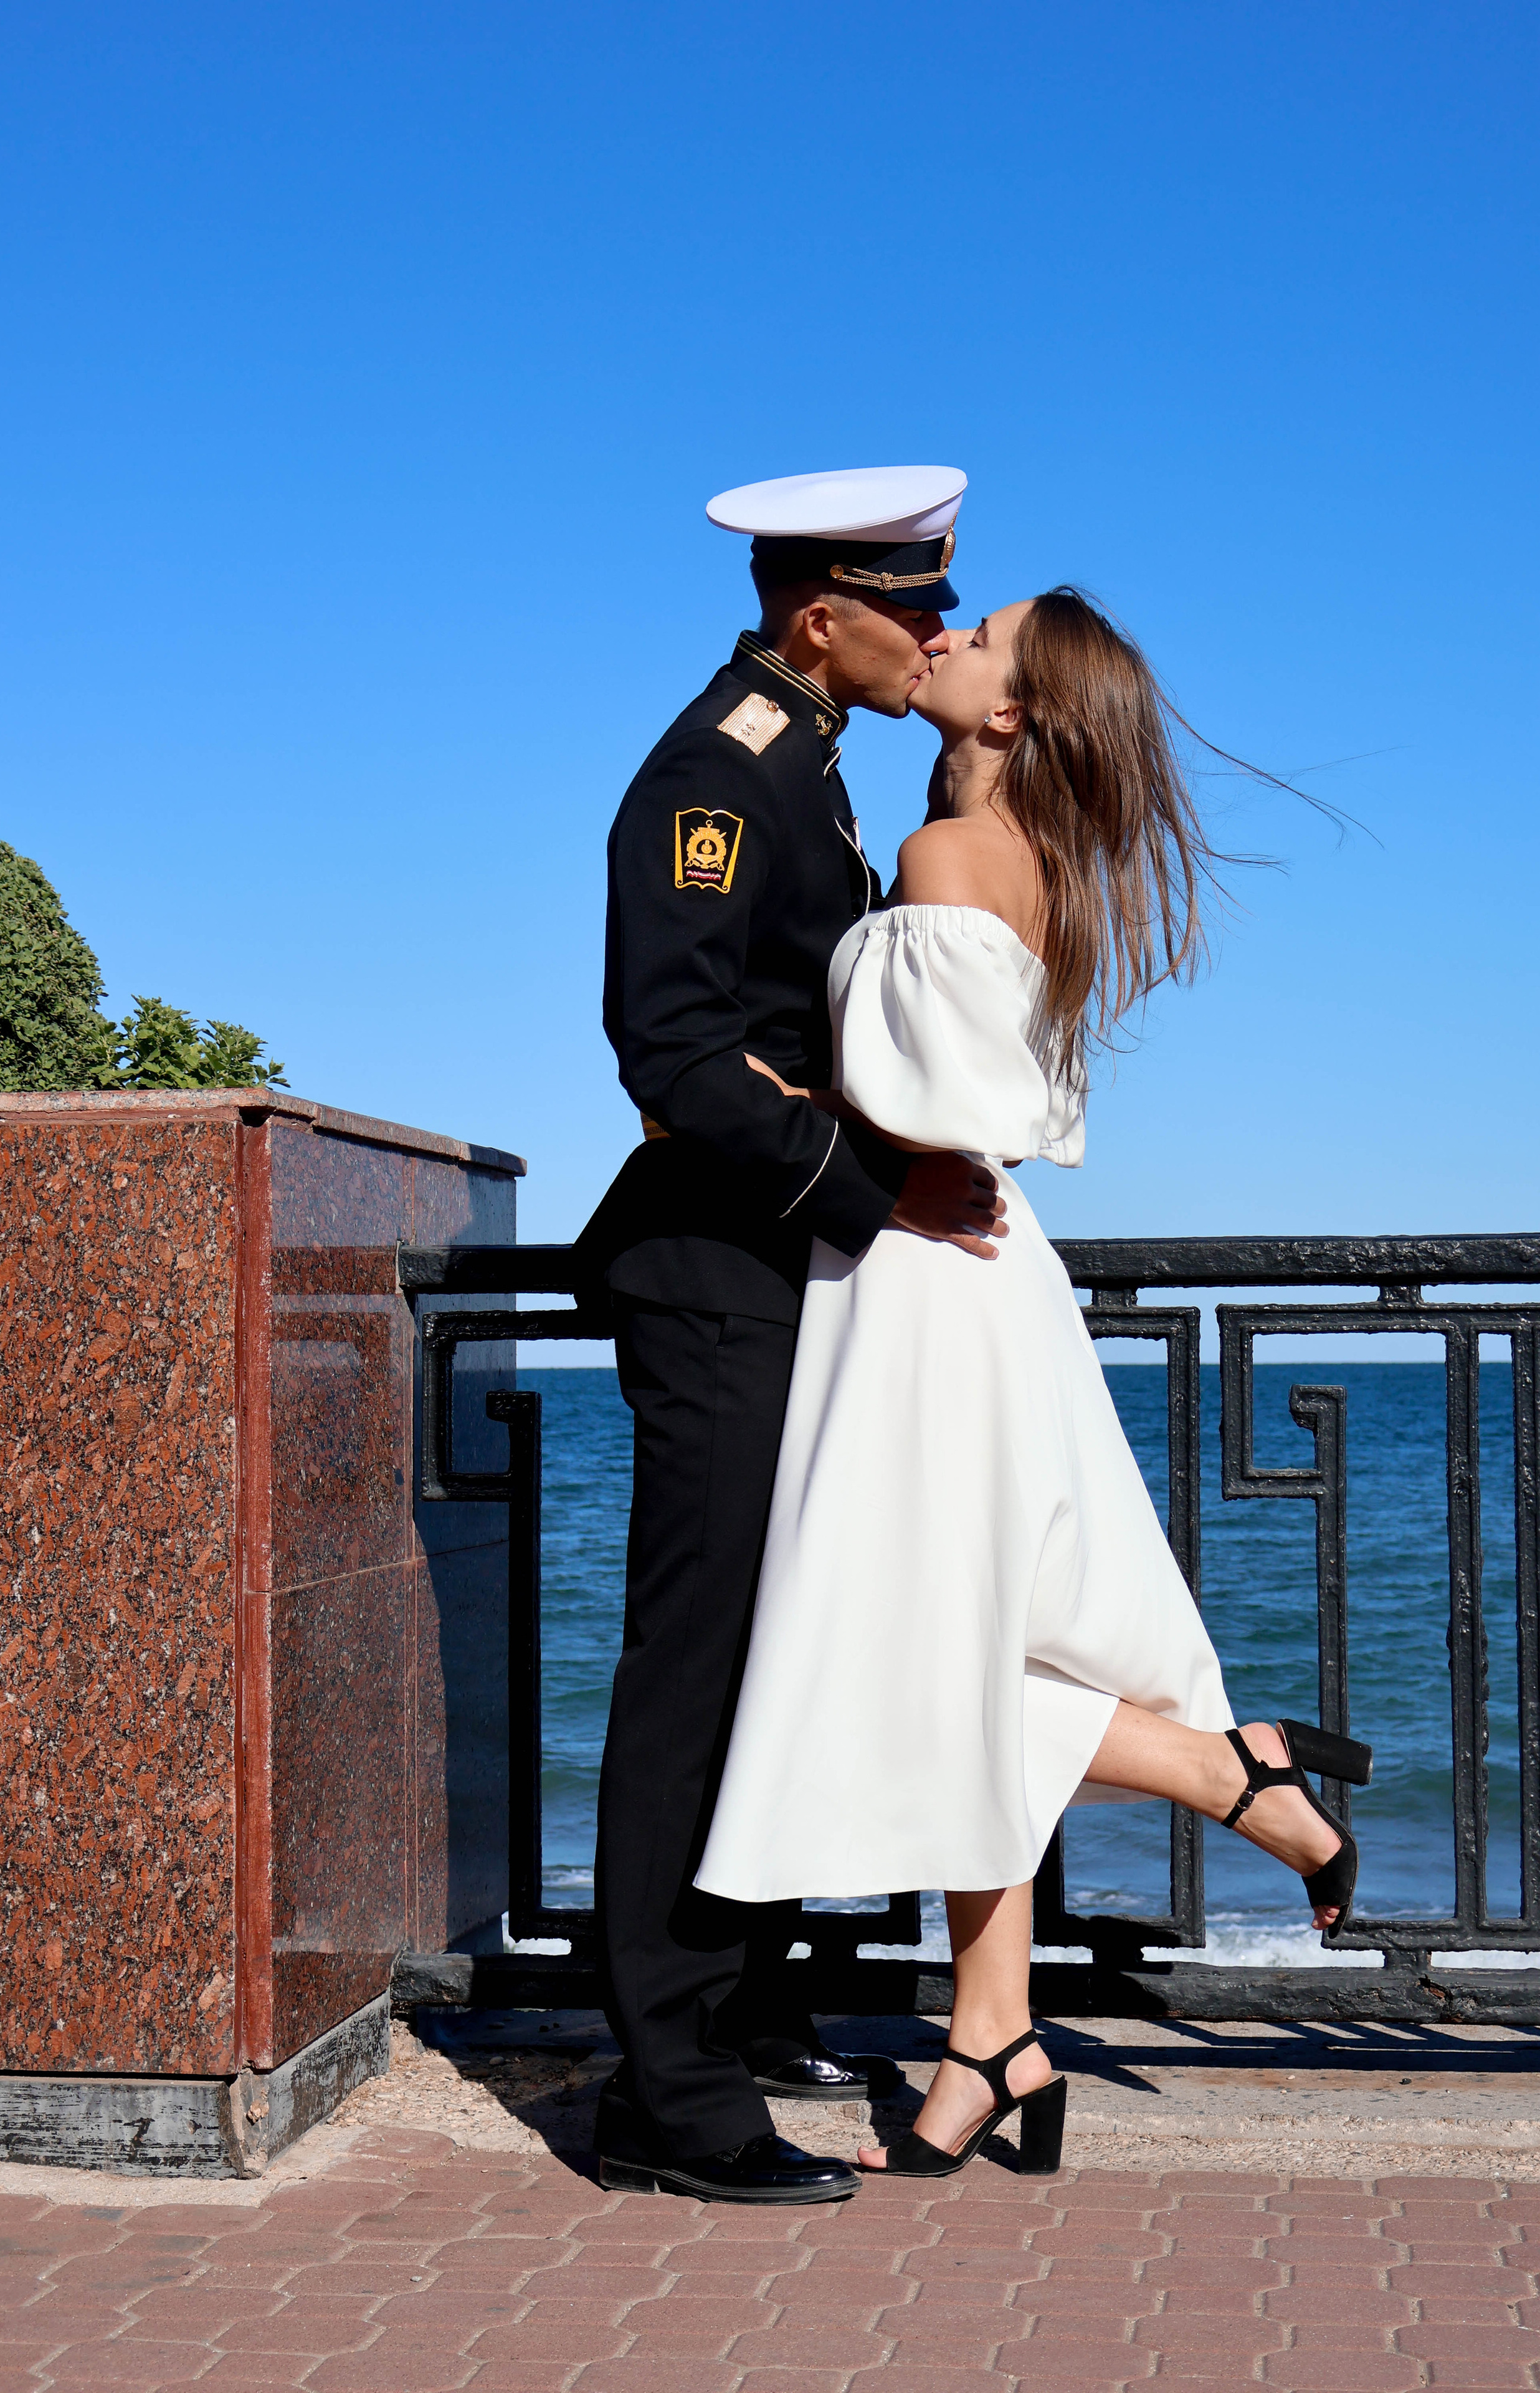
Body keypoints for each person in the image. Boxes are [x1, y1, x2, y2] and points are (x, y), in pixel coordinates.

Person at [695, 589, 1374, 2180]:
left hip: (924, 1278)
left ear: (1009, 714)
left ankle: (1223, 1774)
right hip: (976, 1278)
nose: (941, 636)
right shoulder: (1040, 868)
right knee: (950, 1651)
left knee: (924, 1659)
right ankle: (993, 2029)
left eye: (978, 635)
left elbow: (923, 1112)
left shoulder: (944, 864)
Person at [576, 467, 1013, 2204]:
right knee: (697, 1670)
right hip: (712, 1272)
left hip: (780, 1265)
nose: (933, 632)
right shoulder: (717, 772)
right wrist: (871, 1186)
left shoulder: (814, 764)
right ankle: (663, 2094)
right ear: (815, 612)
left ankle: (739, 2007)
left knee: (777, 1649)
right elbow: (670, 1052)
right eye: (911, 607)